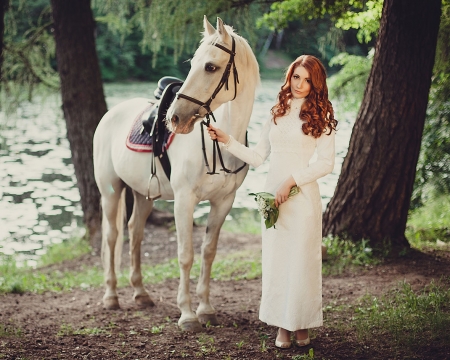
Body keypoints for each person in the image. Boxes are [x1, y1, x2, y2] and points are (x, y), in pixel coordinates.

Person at [207, 55, 337, 349]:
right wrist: (227, 139)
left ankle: (301, 324)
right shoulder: (277, 111)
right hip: (272, 201)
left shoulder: (322, 113)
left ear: (315, 82)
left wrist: (291, 180)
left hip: (302, 197)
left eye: (306, 79)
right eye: (296, 77)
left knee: (302, 263)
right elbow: (258, 157)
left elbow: (326, 163)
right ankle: (282, 326)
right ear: (289, 77)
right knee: (277, 263)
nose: (300, 85)